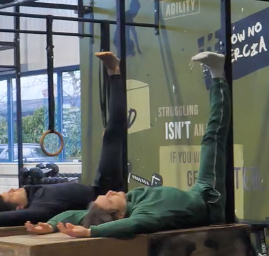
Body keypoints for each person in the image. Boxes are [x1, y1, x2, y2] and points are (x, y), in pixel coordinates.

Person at [26, 52, 230, 239]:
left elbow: (74, 214)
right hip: (208, 198)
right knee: (212, 137)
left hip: (196, 192)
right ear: (119, 215)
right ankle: (218, 76)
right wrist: (91, 232)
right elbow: (134, 225)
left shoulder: (132, 200)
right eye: (109, 199)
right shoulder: (146, 214)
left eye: (105, 196)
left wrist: (51, 225)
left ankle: (216, 75)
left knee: (210, 138)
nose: (109, 193)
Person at [0, 52, 127, 229]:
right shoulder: (39, 209)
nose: (12, 189)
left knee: (112, 134)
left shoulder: (35, 193)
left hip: (99, 189)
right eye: (11, 194)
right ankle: (115, 72)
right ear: (19, 207)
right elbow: (1, 218)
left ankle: (115, 72)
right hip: (104, 195)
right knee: (113, 133)